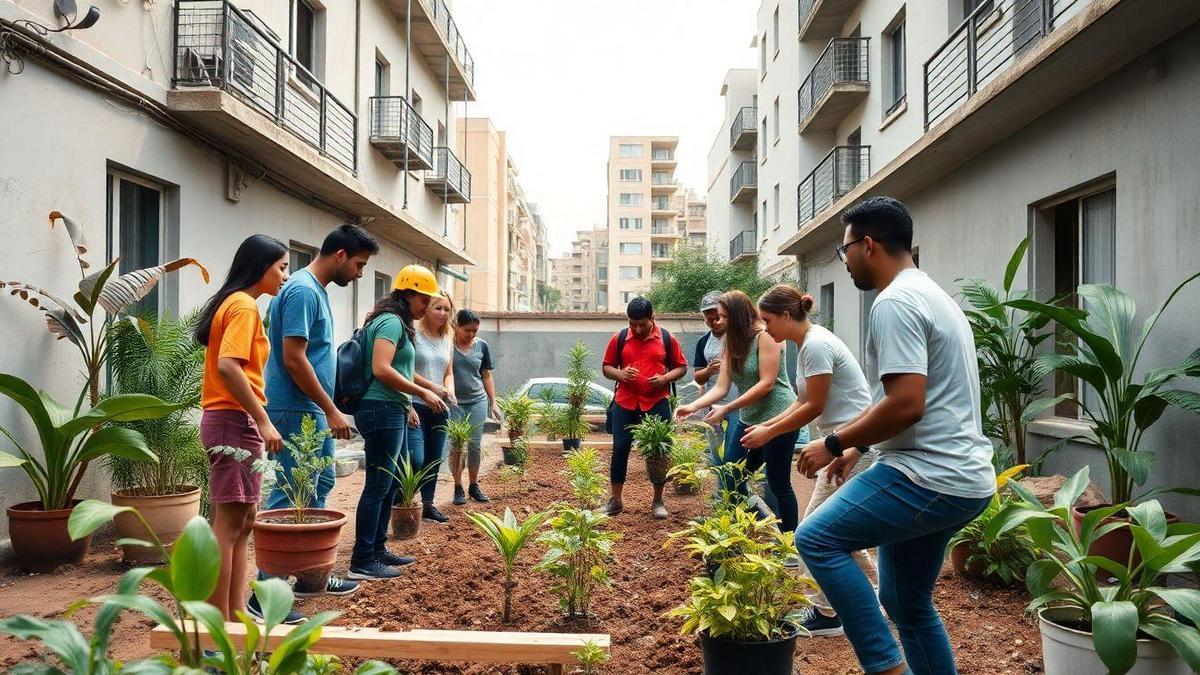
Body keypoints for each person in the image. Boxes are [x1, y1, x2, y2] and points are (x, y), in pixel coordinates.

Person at [793, 197, 994, 675]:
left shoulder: (895, 302)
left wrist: (835, 442)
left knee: (816, 538)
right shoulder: (930, 294)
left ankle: (886, 667)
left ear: (868, 245)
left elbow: (906, 404)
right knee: (905, 601)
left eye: (844, 253)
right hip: (961, 477)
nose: (844, 265)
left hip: (928, 475)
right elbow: (911, 398)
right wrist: (860, 444)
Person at [251, 224, 379, 621]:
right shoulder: (304, 290)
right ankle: (266, 594)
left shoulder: (312, 290)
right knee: (292, 493)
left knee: (318, 484)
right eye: (358, 265)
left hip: (306, 408)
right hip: (294, 408)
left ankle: (309, 575)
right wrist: (329, 408)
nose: (359, 273)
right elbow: (293, 357)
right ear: (340, 255)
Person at [743, 284, 878, 637]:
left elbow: (815, 407)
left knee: (812, 532)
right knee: (832, 530)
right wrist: (767, 425)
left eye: (768, 320)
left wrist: (770, 434)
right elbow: (802, 402)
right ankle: (876, 599)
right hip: (840, 445)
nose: (765, 328)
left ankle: (828, 612)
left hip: (850, 448)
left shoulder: (816, 345)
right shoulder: (807, 345)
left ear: (787, 315)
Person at [195, 234, 288, 620]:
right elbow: (228, 366)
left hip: (235, 420)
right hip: (233, 420)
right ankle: (217, 622)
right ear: (260, 266)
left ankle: (235, 614)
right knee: (230, 523)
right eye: (281, 267)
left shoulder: (238, 304)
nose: (286, 275)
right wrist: (263, 420)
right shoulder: (244, 306)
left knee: (244, 521)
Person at [350, 265, 448, 581]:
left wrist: (413, 400)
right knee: (378, 484)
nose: (426, 307)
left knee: (389, 483)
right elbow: (381, 369)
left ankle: (377, 549)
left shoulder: (396, 322)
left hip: (391, 407)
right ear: (409, 294)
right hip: (379, 409)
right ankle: (363, 559)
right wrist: (420, 392)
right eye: (424, 300)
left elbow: (398, 369)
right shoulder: (391, 322)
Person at [675, 291, 800, 533]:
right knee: (731, 475)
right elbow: (721, 387)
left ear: (737, 315)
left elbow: (767, 383)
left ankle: (789, 544)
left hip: (778, 418)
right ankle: (753, 525)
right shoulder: (730, 342)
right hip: (750, 418)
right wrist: (693, 406)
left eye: (722, 316)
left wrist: (728, 408)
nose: (718, 321)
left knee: (778, 483)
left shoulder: (767, 336)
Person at [601, 297, 688, 519]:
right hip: (625, 401)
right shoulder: (619, 338)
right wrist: (620, 374)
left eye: (642, 324)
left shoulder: (667, 339)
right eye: (633, 324)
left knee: (659, 452)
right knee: (620, 448)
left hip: (657, 402)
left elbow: (682, 367)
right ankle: (615, 500)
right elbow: (606, 367)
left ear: (653, 317)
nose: (637, 329)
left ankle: (658, 501)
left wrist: (665, 378)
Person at [408, 292, 457, 523]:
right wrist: (431, 388)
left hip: (439, 408)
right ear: (427, 307)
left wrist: (450, 391)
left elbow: (448, 372)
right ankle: (404, 501)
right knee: (416, 458)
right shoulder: (412, 332)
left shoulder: (448, 337)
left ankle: (428, 505)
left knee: (434, 460)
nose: (443, 314)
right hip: (415, 404)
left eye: (447, 309)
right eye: (438, 308)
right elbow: (405, 370)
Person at [449, 308, 501, 505]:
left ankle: (473, 485)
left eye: (474, 331)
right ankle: (457, 487)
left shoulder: (482, 346)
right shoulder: (447, 346)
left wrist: (492, 402)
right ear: (456, 327)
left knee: (474, 445)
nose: (471, 335)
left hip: (476, 401)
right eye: (467, 330)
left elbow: (486, 374)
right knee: (456, 446)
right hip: (454, 403)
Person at [690, 291, 740, 493]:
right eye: (708, 319)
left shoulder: (740, 338)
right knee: (717, 457)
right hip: (713, 406)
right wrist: (709, 371)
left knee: (734, 457)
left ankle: (736, 497)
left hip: (738, 405)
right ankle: (722, 499)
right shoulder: (704, 342)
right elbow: (697, 377)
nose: (714, 322)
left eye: (717, 317)